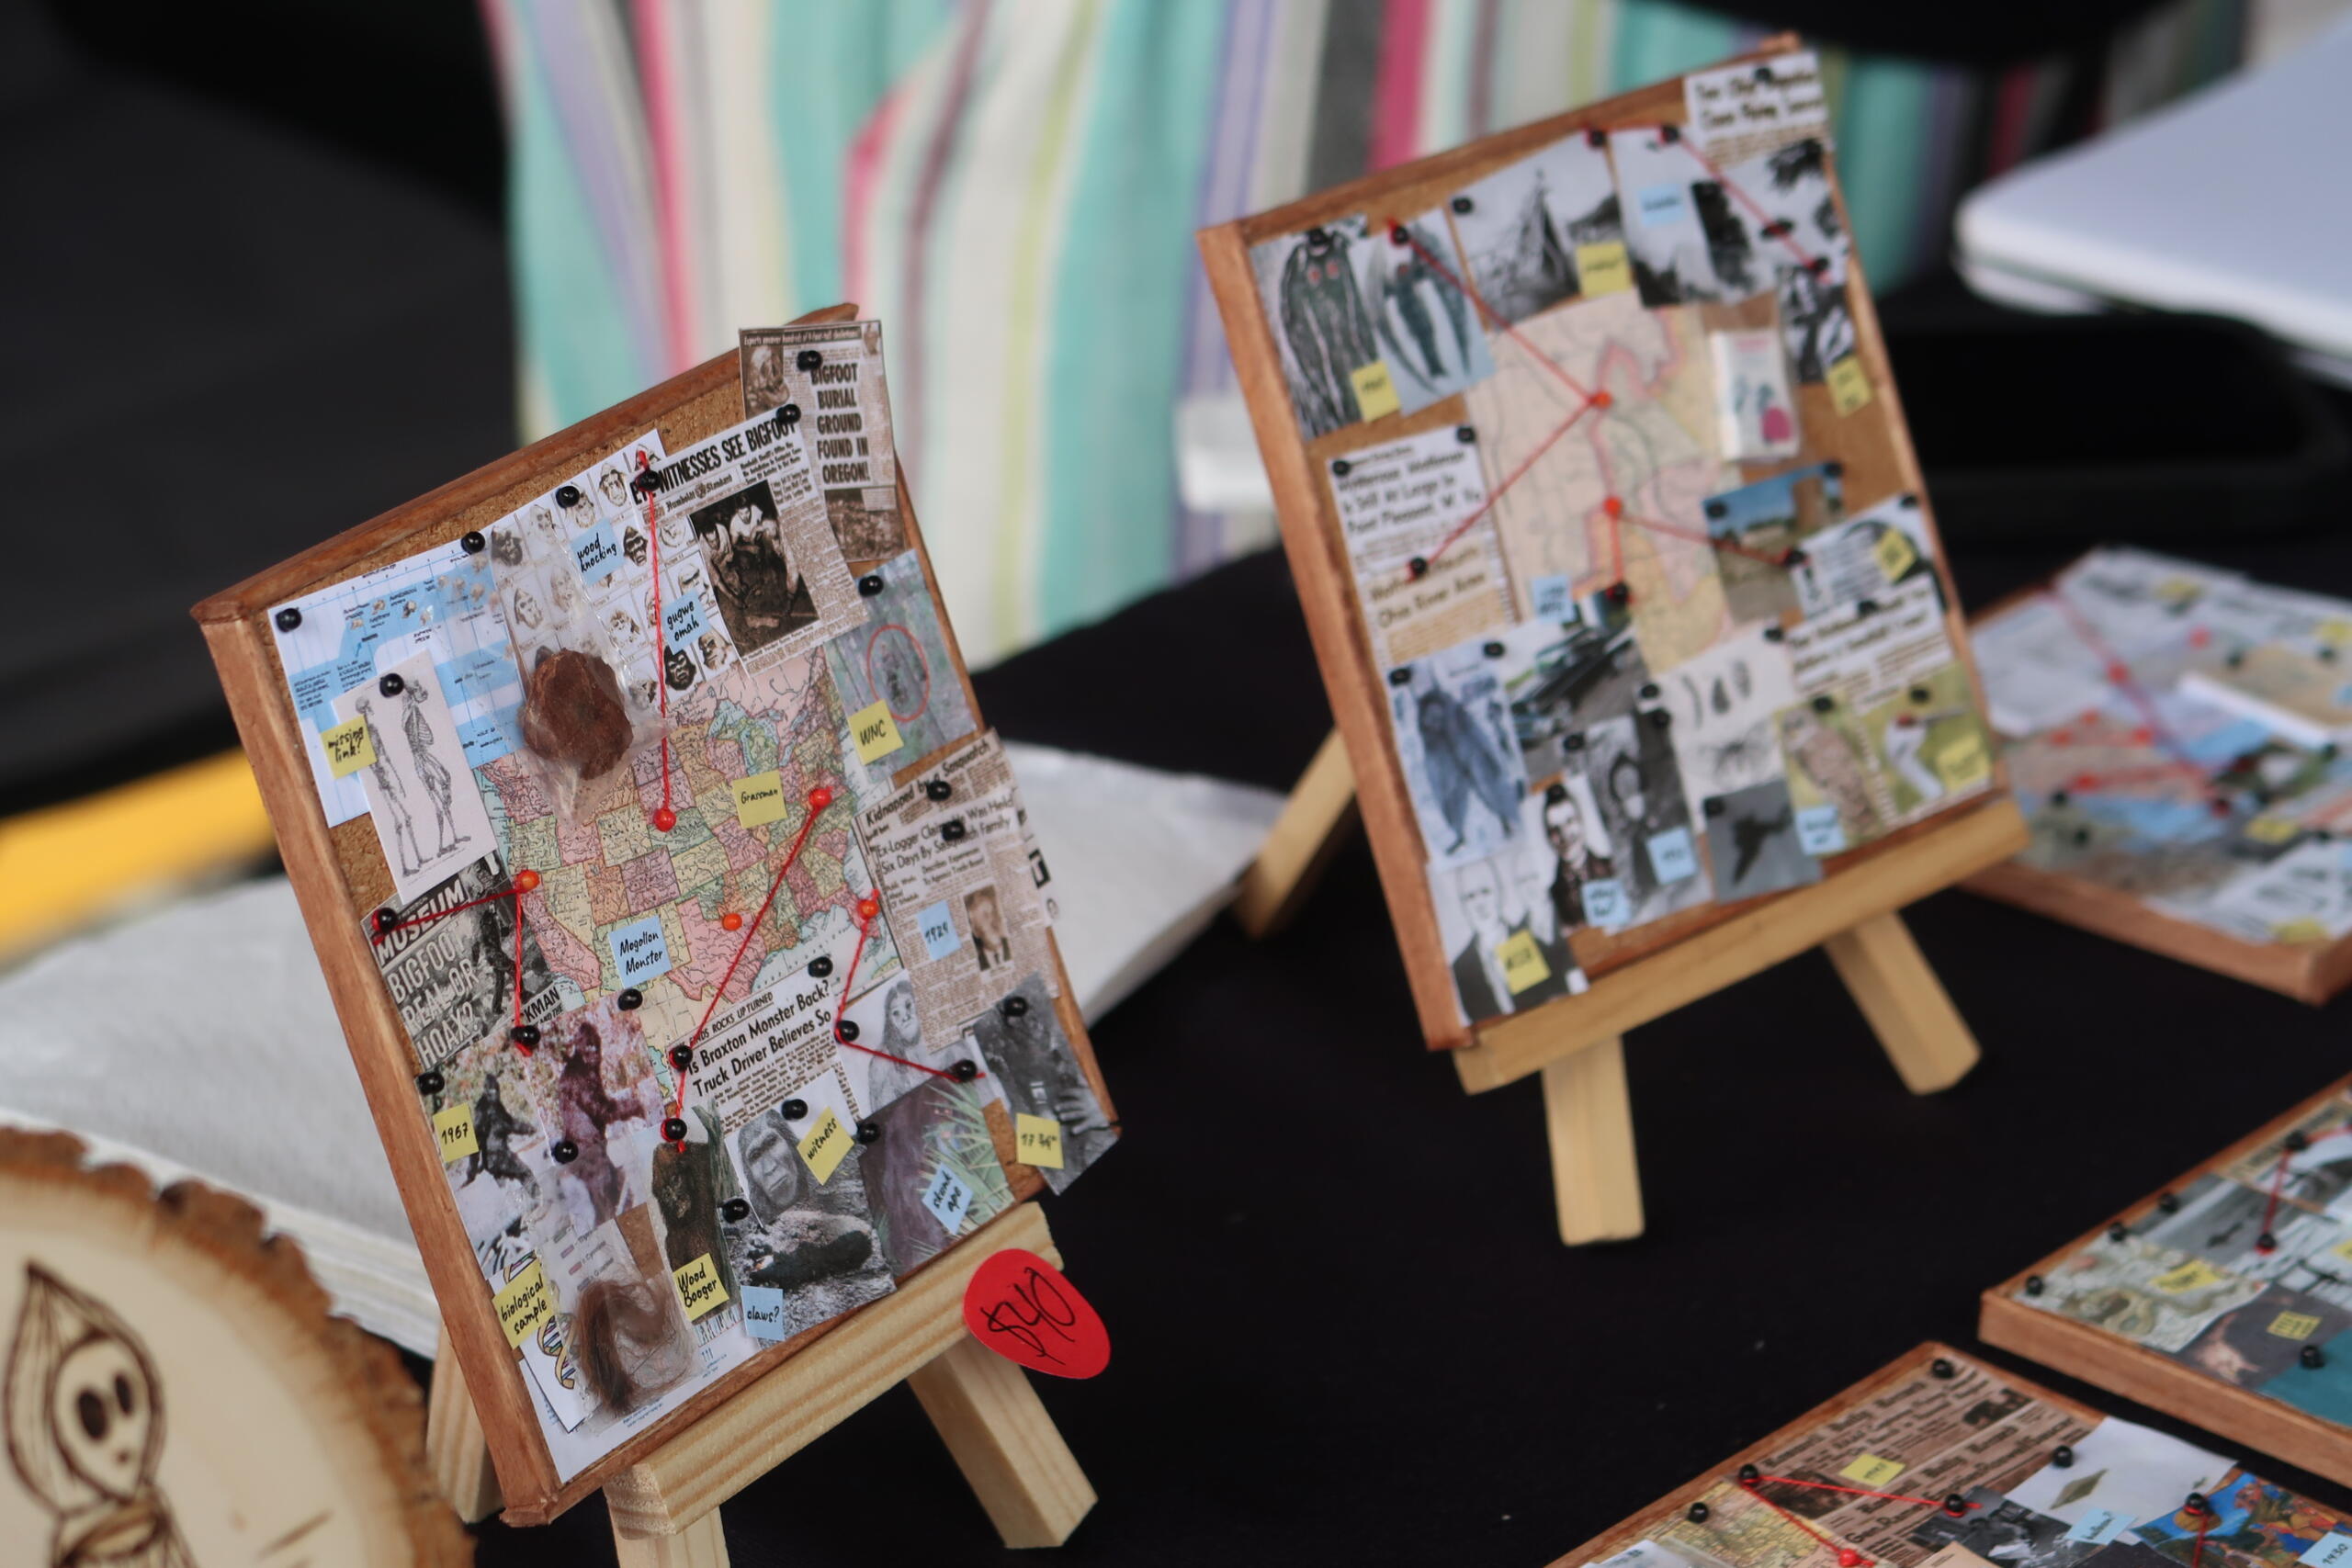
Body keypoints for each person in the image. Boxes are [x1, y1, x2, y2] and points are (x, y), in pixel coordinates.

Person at [967, 887, 1012, 969]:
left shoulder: (1011, 945)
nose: (992, 919)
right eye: (985, 915)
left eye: (993, 912)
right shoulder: (977, 964)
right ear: (975, 930)